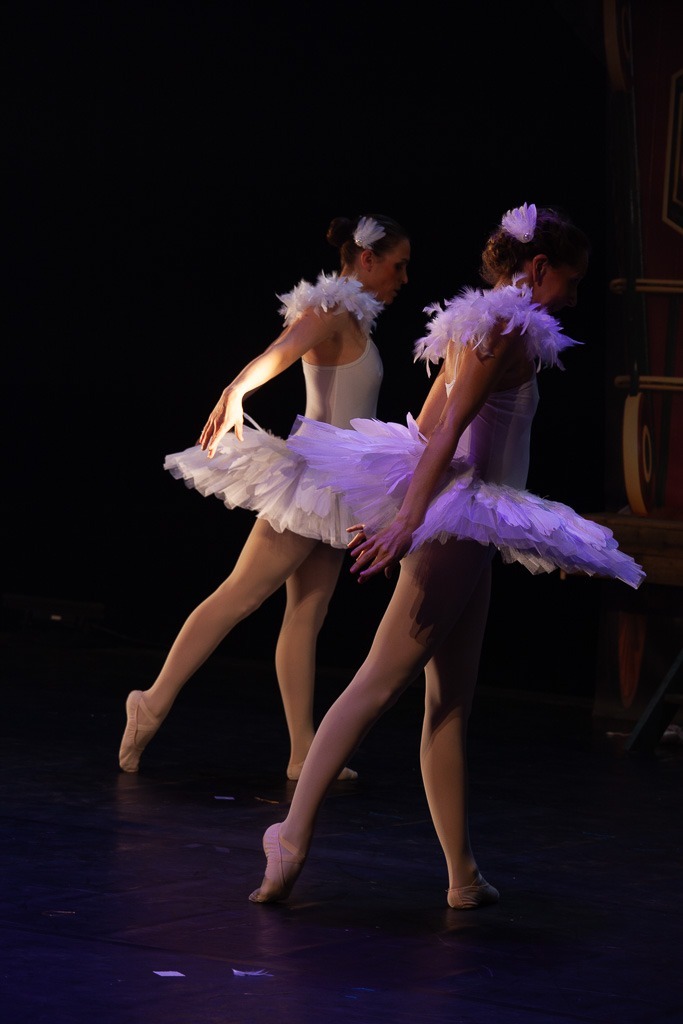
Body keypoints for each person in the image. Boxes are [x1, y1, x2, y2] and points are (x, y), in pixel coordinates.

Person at [248, 203, 645, 909]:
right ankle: (292, 829)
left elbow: (430, 421)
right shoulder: (501, 328)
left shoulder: (477, 324)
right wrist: (407, 520)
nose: (574, 298)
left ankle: (461, 876)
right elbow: (448, 428)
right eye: (570, 282)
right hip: (458, 524)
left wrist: (407, 508)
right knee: (379, 681)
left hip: (467, 522)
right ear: (537, 269)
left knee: (449, 704)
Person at [118, 213, 411, 779]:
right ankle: (150, 702)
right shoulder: (328, 310)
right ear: (367, 259)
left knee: (308, 611)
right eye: (398, 265)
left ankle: (303, 751)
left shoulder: (354, 317)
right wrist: (235, 391)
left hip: (338, 482)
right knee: (242, 594)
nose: (404, 278)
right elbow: (279, 352)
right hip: (313, 478)